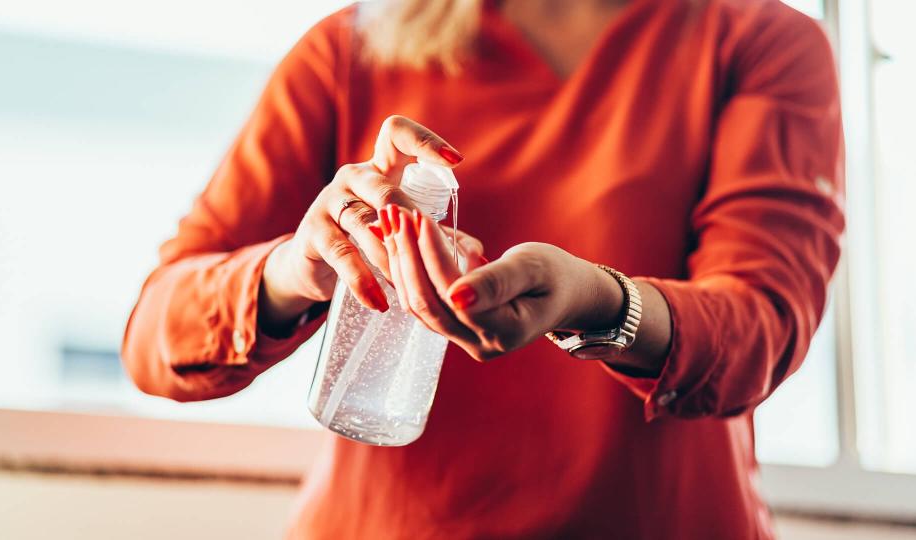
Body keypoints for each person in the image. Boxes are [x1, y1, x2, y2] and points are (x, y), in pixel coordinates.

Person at [122, 0, 844, 537]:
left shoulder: (756, 43)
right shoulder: (351, 51)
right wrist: (299, 268)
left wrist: (597, 303)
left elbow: (760, 325)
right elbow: (158, 333)